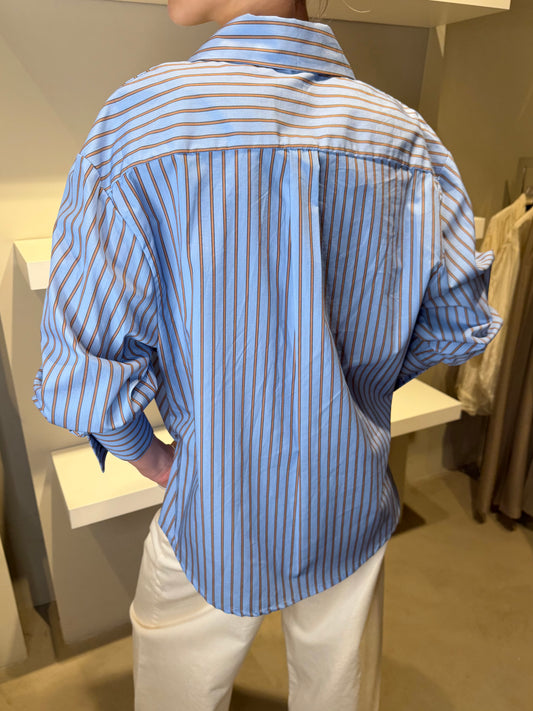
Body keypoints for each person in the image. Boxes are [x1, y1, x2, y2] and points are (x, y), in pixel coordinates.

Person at [33, 0, 502, 709]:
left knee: (175, 693)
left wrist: (147, 454)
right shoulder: (406, 138)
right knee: (340, 693)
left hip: (213, 511)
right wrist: (350, 384)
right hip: (350, 495)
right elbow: (448, 321)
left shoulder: (141, 123)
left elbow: (85, 350)